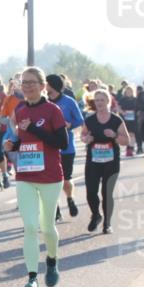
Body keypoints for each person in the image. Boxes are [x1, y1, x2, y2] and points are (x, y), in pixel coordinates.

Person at [3, 67, 68, 287]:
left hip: (50, 176)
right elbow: (26, 141)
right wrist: (14, 145)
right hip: (26, 176)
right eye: (24, 82)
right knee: (30, 226)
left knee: (47, 227)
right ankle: (32, 278)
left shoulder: (53, 110)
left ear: (43, 86)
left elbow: (61, 142)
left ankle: (51, 260)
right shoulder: (19, 110)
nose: (28, 86)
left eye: (32, 82)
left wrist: (34, 128)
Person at [81, 89, 129, 234]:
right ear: (94, 103)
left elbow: (126, 141)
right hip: (93, 161)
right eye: (97, 100)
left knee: (107, 193)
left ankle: (107, 223)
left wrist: (114, 135)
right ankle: (96, 215)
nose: (99, 103)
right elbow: (83, 136)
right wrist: (86, 139)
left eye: (102, 100)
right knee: (90, 192)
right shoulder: (89, 120)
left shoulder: (116, 120)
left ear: (108, 101)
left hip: (111, 161)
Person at [46, 74, 85, 221]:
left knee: (66, 180)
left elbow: (80, 120)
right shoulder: (44, 103)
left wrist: (69, 125)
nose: (44, 86)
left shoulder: (68, 102)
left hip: (67, 147)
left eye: (46, 84)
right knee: (51, 181)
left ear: (52, 85)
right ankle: (55, 210)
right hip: (49, 148)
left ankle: (70, 198)